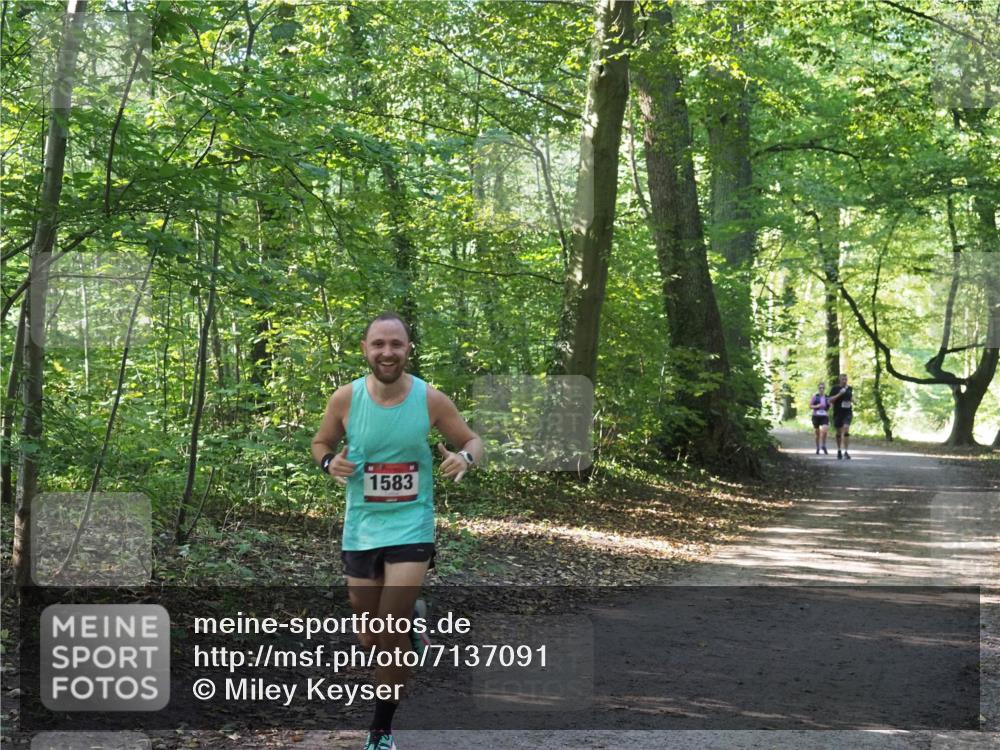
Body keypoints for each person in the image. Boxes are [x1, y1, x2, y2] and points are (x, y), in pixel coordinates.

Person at [311, 312, 484, 750]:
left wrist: (465, 459)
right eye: (378, 344)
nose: (387, 352)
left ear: (408, 350)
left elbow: (473, 441)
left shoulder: (430, 399)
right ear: (366, 349)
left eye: (396, 344)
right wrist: (330, 463)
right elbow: (320, 443)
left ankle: (381, 730)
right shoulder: (346, 399)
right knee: (371, 636)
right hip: (362, 530)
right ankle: (412, 623)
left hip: (412, 526)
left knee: (389, 626)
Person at [828, 373, 853, 460]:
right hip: (838, 412)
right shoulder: (835, 388)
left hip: (847, 412)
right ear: (840, 380)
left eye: (846, 379)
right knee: (838, 432)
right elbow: (830, 400)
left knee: (846, 428)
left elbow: (850, 398)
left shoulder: (849, 388)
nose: (845, 381)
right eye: (843, 379)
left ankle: (846, 451)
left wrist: (854, 400)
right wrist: (839, 394)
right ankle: (839, 450)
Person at [809, 382, 830, 455]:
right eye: (820, 388)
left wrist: (830, 406)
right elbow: (810, 406)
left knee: (824, 431)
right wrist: (817, 406)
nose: (821, 389)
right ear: (818, 389)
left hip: (824, 416)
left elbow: (830, 405)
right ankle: (817, 447)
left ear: (824, 389)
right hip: (816, 416)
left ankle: (823, 445)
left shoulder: (827, 397)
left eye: (823, 388)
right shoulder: (815, 397)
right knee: (817, 433)